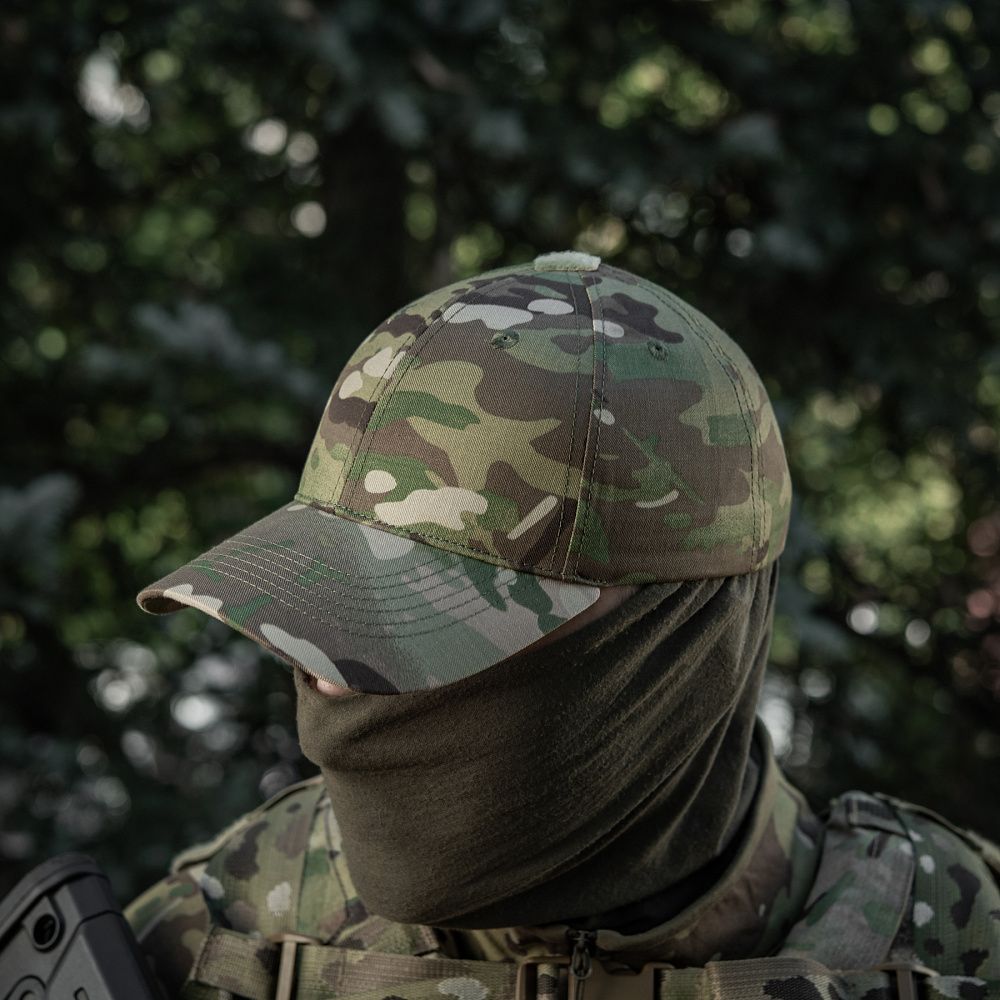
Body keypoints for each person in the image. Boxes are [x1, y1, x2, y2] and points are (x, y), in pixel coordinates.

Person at [124, 251, 1000, 1000]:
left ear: (683, 632)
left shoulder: (954, 938)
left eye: (427, 618)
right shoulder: (219, 932)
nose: (328, 679)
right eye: (310, 607)